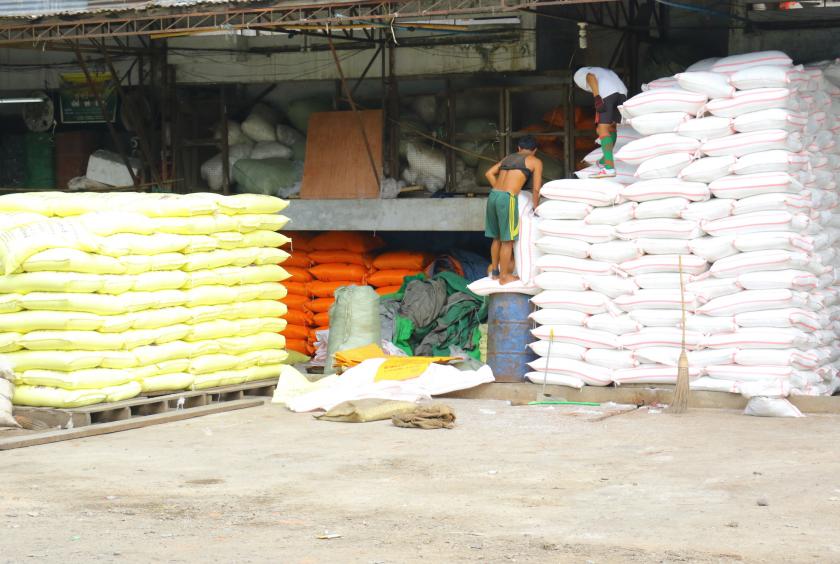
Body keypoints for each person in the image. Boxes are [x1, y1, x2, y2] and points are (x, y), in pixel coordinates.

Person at [483, 135, 543, 285]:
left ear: (519, 148)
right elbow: (536, 189)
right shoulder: (535, 161)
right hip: (507, 199)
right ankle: (504, 277)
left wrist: (499, 188)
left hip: (493, 196)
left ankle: (495, 272)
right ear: (534, 150)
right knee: (507, 240)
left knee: (496, 237)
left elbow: (488, 173)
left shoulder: (508, 158)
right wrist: (536, 208)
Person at [573, 66, 628, 179]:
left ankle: (609, 168)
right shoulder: (602, 70)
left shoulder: (579, 74)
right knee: (611, 128)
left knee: (602, 130)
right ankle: (605, 160)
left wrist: (597, 97)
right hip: (622, 93)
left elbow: (590, 77)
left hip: (607, 93)